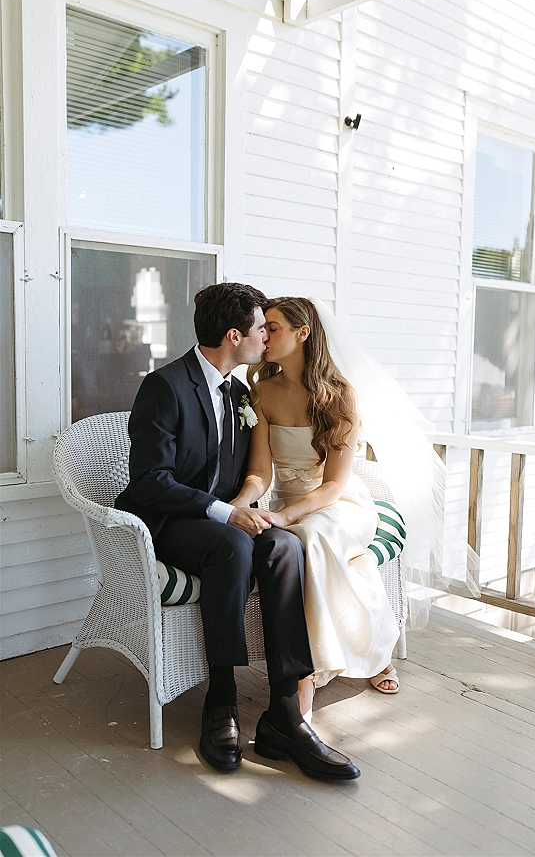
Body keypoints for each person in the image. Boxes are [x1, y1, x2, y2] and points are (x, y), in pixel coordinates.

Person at [115, 283, 360, 782]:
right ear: (234, 335)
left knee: (284, 546)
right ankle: (221, 702)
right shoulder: (163, 387)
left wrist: (248, 509)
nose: (264, 340)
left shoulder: (244, 393)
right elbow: (149, 482)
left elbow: (256, 473)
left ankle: (285, 716)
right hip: (169, 523)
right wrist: (226, 514)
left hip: (230, 514)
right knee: (231, 543)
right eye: (258, 329)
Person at [231, 297, 401, 722]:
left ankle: (304, 681)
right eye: (262, 329)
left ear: (302, 333)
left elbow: (334, 486)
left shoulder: (339, 394)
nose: (264, 337)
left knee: (307, 536)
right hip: (291, 502)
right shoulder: (263, 393)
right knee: (302, 543)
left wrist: (284, 518)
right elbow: (260, 474)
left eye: (273, 328)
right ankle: (371, 652)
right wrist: (237, 504)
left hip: (341, 505)